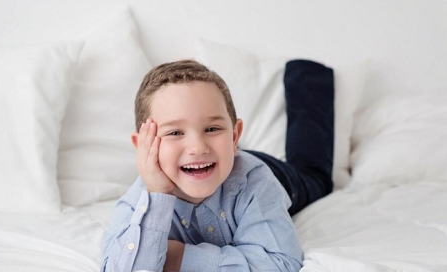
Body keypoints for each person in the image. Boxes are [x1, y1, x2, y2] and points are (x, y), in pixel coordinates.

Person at [101, 59, 334, 271]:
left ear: (234, 137)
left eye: (212, 129)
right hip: (217, 162)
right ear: (143, 146)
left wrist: (179, 258)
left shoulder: (255, 181)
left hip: (267, 172)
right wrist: (159, 195)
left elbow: (282, 263)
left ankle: (308, 77)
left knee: (315, 177)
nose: (197, 146)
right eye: (175, 132)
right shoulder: (138, 202)